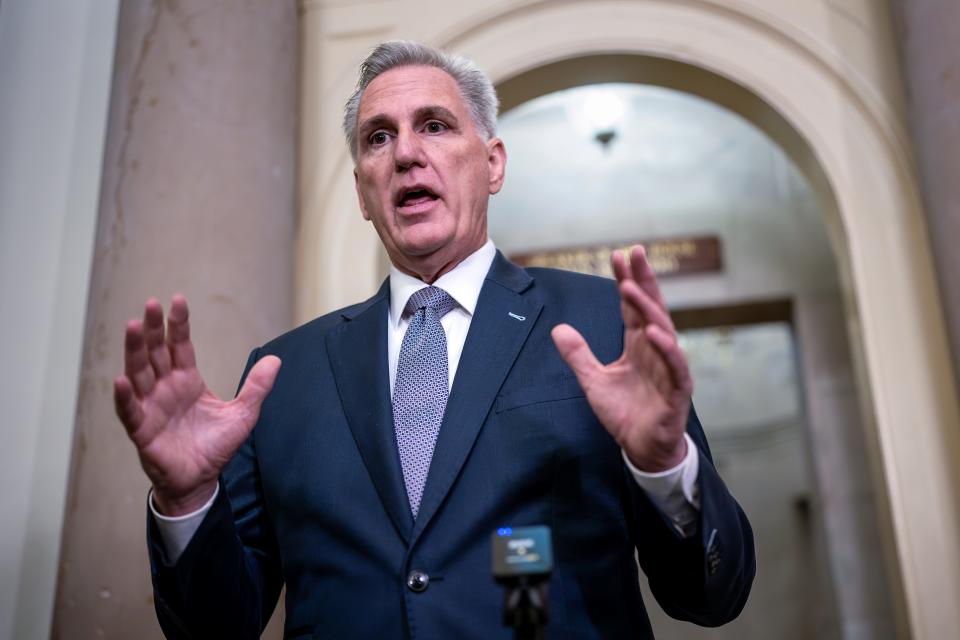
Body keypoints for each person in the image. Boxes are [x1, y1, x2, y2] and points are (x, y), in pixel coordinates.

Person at [115, 41, 754, 639]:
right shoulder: (282, 375)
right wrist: (187, 498)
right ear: (365, 191)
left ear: (493, 163)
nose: (405, 154)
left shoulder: (599, 323)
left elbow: (709, 597)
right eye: (378, 138)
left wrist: (666, 467)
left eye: (435, 126)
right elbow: (214, 627)